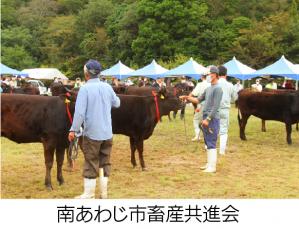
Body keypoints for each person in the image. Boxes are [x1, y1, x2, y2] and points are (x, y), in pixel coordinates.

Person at [68, 59, 120, 199]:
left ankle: (89, 194)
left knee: (91, 162)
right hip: (107, 133)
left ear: (86, 74)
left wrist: (73, 130)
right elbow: (117, 103)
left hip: (92, 133)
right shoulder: (107, 87)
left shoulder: (84, 89)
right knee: (105, 162)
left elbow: (79, 113)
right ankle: (104, 194)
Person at [180, 66, 223, 173]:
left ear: (215, 75)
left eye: (210, 74)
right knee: (207, 141)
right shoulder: (208, 89)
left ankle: (212, 167)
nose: (208, 76)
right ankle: (209, 164)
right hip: (205, 117)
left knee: (212, 141)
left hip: (212, 119)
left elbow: (216, 106)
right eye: (207, 74)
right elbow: (198, 99)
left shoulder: (218, 88)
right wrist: (187, 97)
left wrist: (208, 119)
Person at [217, 66, 237, 155]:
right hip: (225, 109)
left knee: (211, 128)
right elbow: (235, 98)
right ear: (226, 74)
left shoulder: (213, 83)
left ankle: (209, 147)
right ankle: (221, 151)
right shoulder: (230, 85)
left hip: (214, 109)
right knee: (223, 130)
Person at [189, 74, 210, 141]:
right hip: (210, 106)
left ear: (201, 77)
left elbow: (193, 93)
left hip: (201, 105)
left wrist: (187, 97)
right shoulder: (211, 84)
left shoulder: (200, 84)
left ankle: (197, 135)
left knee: (196, 120)